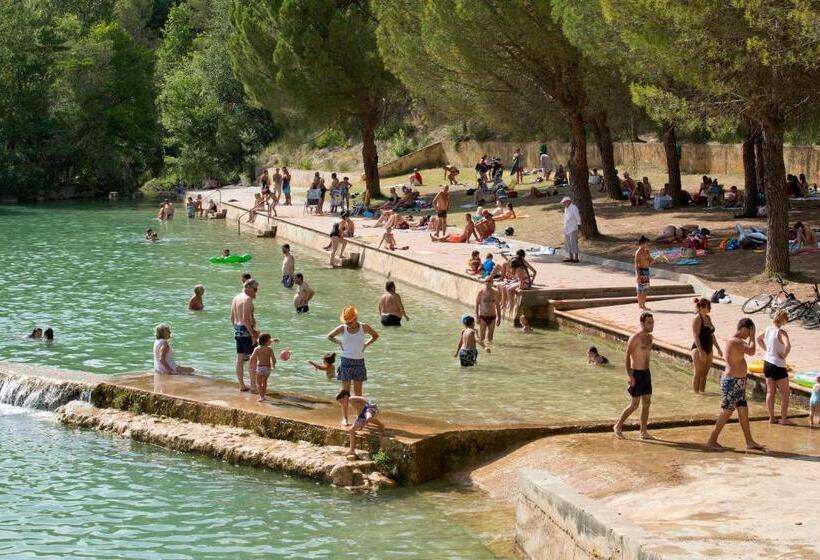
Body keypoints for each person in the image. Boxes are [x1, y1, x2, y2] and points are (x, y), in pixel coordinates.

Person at [707, 318, 765, 451]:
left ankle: (749, 441)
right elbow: (751, 351)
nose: (748, 335)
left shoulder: (737, 341)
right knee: (726, 411)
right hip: (732, 381)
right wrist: (753, 336)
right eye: (749, 331)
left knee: (743, 411)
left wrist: (751, 335)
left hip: (739, 382)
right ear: (745, 328)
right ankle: (712, 440)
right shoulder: (735, 342)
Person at [327, 306, 379, 426]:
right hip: (345, 361)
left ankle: (359, 418)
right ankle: (345, 418)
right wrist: (339, 342)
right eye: (347, 322)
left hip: (359, 362)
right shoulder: (343, 328)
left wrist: (366, 344)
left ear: (355, 318)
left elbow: (375, 336)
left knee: (358, 394)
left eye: (350, 321)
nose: (349, 324)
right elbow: (330, 336)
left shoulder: (364, 327)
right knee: (345, 392)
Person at [614, 312, 655, 440]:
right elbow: (627, 356)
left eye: (652, 322)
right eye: (649, 322)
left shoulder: (650, 338)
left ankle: (643, 432)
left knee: (647, 402)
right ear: (642, 323)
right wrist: (630, 375)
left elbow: (646, 356)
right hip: (636, 373)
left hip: (646, 373)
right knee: (635, 404)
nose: (651, 325)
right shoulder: (635, 338)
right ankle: (618, 425)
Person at [757, 310, 793, 425]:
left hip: (767, 362)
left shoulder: (768, 329)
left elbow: (758, 339)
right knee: (785, 393)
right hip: (777, 364)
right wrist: (784, 355)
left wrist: (767, 350)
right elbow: (788, 345)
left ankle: (771, 418)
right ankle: (783, 418)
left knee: (770, 392)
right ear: (783, 319)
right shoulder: (781, 332)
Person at [231, 279, 260, 392]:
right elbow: (245, 320)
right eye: (255, 289)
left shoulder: (236, 298)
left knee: (239, 359)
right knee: (253, 359)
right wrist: (253, 334)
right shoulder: (247, 299)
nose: (256, 292)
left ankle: (242, 385)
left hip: (238, 330)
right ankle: (253, 386)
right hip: (246, 330)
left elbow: (232, 318)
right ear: (248, 287)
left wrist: (238, 331)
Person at [336, 390, 384, 457]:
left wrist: (368, 404)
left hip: (368, 408)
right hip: (361, 415)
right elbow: (358, 411)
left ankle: (381, 425)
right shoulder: (350, 403)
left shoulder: (351, 398)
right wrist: (360, 424)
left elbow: (362, 398)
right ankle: (352, 450)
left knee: (369, 418)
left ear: (345, 397)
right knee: (352, 430)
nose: (341, 404)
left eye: (341, 401)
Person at [691, 298, 722, 393]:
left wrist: (718, 348)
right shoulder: (697, 318)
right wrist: (700, 351)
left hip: (709, 348)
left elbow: (711, 334)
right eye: (708, 306)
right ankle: (696, 394)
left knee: (705, 374)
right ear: (702, 307)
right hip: (698, 349)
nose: (710, 308)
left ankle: (702, 393)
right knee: (698, 373)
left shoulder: (708, 318)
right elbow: (695, 336)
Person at [249, 333, 277, 402]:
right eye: (270, 340)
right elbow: (274, 359)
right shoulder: (270, 349)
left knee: (258, 383)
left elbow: (252, 357)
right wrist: (273, 365)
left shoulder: (257, 349)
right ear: (267, 342)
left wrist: (250, 364)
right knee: (264, 382)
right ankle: (264, 395)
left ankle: (261, 397)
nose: (271, 341)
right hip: (267, 368)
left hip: (260, 368)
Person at [475, 276, 501, 349]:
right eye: (486, 281)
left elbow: (497, 305)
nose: (487, 283)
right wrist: (477, 317)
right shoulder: (481, 292)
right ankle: (482, 350)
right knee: (482, 338)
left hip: (492, 317)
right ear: (484, 282)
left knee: (490, 338)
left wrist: (499, 318)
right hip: (483, 317)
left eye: (489, 281)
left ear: (492, 282)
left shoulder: (495, 292)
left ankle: (490, 353)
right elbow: (477, 305)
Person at [634, 236, 655, 310]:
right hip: (641, 271)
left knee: (645, 289)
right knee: (640, 289)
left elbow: (650, 261)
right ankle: (640, 305)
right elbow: (636, 264)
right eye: (646, 243)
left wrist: (653, 259)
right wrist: (638, 275)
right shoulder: (638, 252)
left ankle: (643, 304)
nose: (647, 245)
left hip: (646, 270)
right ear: (642, 243)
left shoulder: (647, 251)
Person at [561, 196, 581, 263]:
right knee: (568, 243)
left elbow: (578, 217)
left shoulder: (574, 207)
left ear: (568, 202)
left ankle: (576, 258)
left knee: (574, 243)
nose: (563, 204)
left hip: (573, 228)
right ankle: (570, 257)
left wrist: (579, 226)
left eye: (564, 202)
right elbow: (565, 219)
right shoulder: (566, 209)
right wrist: (564, 228)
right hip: (567, 228)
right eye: (563, 203)